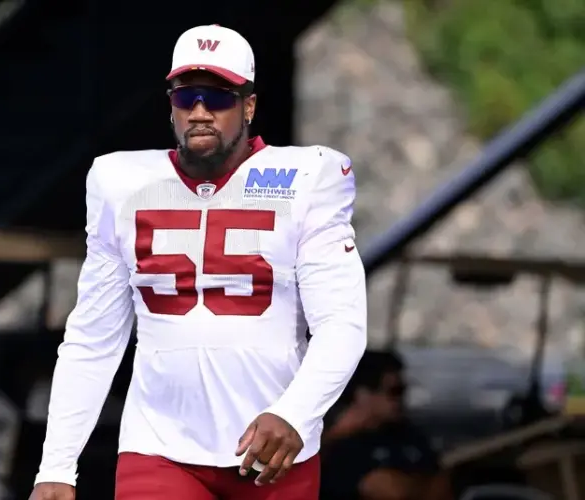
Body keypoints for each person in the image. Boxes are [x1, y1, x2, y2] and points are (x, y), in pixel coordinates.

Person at [30, 24, 367, 500]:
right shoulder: (120, 181)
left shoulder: (308, 177)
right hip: (159, 445)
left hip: (273, 448)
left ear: (249, 105)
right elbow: (94, 336)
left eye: (219, 97)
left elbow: (341, 324)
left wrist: (294, 413)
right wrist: (56, 467)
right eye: (187, 96)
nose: (201, 112)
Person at [320, 350, 453, 500]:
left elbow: (444, 486)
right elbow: (389, 490)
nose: (401, 399)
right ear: (363, 395)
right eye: (395, 391)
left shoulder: (410, 434)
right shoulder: (341, 442)